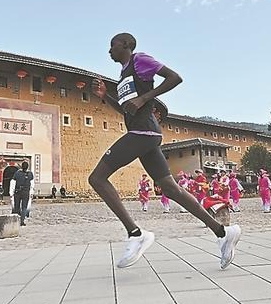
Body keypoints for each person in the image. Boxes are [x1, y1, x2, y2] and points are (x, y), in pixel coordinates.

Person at [88, 32, 241, 270]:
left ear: (126, 45)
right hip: (143, 134)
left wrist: (145, 98)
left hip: (144, 133)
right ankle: (223, 232)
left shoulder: (140, 60)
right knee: (170, 188)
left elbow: (174, 77)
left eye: (113, 45)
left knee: (97, 178)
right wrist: (104, 97)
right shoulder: (123, 74)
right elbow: (127, 109)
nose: (109, 50)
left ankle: (136, 233)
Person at [10, 161, 34, 225]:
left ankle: (15, 221)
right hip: (26, 192)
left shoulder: (17, 173)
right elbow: (32, 185)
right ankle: (22, 221)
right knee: (24, 207)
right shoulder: (30, 174)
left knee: (16, 207)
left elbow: (13, 182)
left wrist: (11, 193)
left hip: (17, 192)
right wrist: (31, 193)